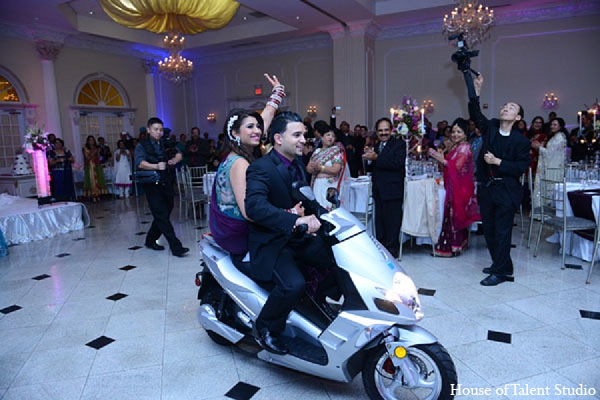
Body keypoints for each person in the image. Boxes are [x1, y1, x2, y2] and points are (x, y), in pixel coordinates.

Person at [245, 111, 359, 355]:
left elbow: (305, 196)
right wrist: (294, 219)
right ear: (278, 138)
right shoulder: (261, 168)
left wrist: (327, 215)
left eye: (303, 135)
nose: (302, 140)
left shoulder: (296, 164)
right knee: (293, 285)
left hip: (298, 237)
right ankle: (266, 328)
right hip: (272, 242)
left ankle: (316, 303)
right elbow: (254, 207)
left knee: (336, 260)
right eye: (296, 135)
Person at [209, 73, 286, 270]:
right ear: (235, 133)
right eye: (250, 127)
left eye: (257, 127)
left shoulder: (240, 152)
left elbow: (265, 119)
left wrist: (277, 93)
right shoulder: (239, 163)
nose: (257, 131)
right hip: (239, 234)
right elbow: (250, 212)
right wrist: (289, 215)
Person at [469, 74, 530, 286]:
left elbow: (521, 167)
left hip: (507, 190)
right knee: (490, 230)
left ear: (518, 118)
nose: (505, 108)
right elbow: (476, 115)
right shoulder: (492, 128)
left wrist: (498, 161)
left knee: (503, 231)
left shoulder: (521, 141)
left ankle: (500, 272)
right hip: (487, 188)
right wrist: (476, 91)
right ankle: (502, 263)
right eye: (504, 105)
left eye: (511, 107)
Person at [134, 117, 189, 257]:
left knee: (165, 212)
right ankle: (176, 247)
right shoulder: (142, 145)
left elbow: (179, 154)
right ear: (148, 130)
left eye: (160, 130)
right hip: (152, 184)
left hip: (167, 181)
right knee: (161, 215)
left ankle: (150, 240)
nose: (159, 132)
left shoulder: (166, 142)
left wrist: (174, 160)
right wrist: (156, 166)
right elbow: (140, 163)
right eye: (155, 130)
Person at [428, 118, 481, 256]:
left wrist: (441, 159)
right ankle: (458, 245)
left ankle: (449, 248)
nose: (455, 134)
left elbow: (457, 167)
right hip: (456, 185)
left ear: (465, 133)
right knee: (453, 214)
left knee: (453, 215)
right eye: (453, 132)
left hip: (460, 187)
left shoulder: (464, 147)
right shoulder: (457, 146)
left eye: (459, 131)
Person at [362, 117, 406, 258]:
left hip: (393, 190)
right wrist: (368, 159)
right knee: (379, 222)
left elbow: (396, 164)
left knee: (392, 222)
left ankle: (392, 251)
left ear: (391, 130)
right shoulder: (375, 146)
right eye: (380, 130)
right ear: (376, 131)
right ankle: (381, 249)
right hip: (379, 190)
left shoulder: (399, 144)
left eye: (386, 130)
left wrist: (376, 158)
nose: (383, 133)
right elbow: (371, 168)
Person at [306, 120, 348, 210]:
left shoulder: (336, 151)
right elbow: (308, 168)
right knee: (317, 210)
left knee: (328, 210)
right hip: (317, 184)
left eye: (333, 136)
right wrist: (312, 169)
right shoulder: (317, 152)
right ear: (322, 137)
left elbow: (336, 170)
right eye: (328, 135)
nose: (330, 138)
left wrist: (320, 168)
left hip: (329, 185)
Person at [532, 117, 568, 208]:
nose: (552, 126)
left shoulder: (559, 137)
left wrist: (538, 148)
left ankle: (547, 210)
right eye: (551, 124)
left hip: (553, 167)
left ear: (560, 126)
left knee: (550, 189)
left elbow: (550, 154)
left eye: (555, 125)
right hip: (552, 165)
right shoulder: (555, 137)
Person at [82, 135, 107, 203]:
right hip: (90, 166)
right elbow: (87, 157)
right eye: (90, 140)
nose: (91, 141)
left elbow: (99, 157)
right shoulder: (85, 148)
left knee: (98, 180)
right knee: (91, 180)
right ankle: (92, 195)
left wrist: (99, 154)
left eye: (92, 140)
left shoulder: (97, 148)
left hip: (96, 165)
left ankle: (98, 195)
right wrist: (94, 153)